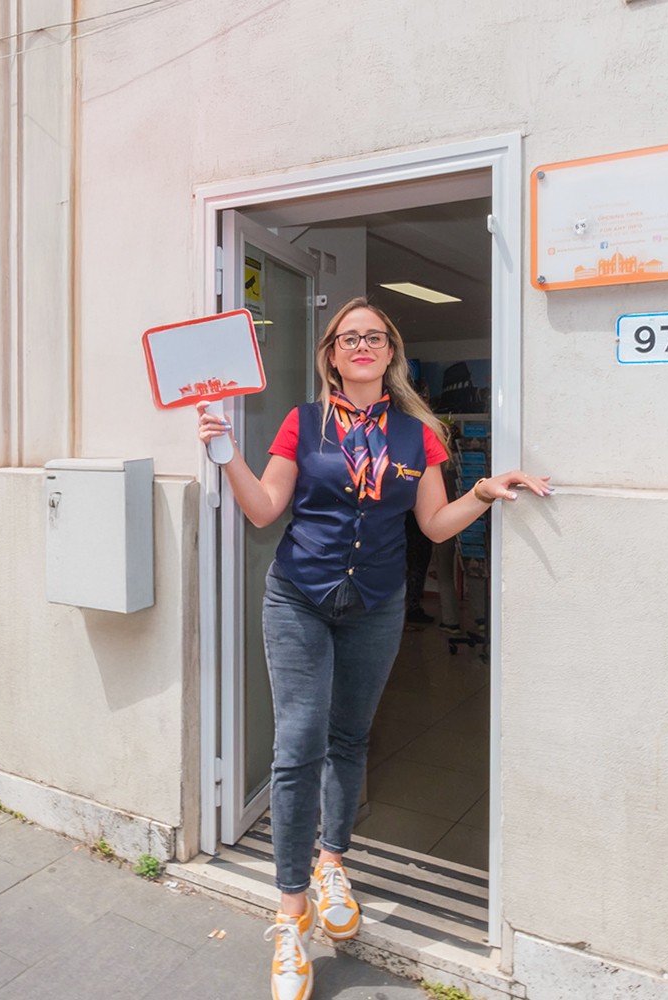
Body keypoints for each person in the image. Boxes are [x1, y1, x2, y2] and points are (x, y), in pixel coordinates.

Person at [195, 297, 552, 1000]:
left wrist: (484, 488)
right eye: (348, 337)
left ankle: (333, 862)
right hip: (299, 598)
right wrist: (225, 453)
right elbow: (265, 510)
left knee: (350, 737)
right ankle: (292, 915)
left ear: (391, 353)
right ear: (331, 354)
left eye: (375, 337)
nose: (361, 345)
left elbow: (438, 525)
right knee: (298, 745)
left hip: (376, 607)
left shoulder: (420, 437)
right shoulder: (305, 423)